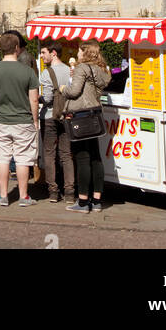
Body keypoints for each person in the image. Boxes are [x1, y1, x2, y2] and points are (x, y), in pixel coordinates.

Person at [0, 32, 40, 207]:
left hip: (0, 119)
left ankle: (3, 195)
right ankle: (23, 196)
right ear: (16, 48)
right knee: (23, 159)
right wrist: (35, 120)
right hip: (23, 120)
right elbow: (34, 99)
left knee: (2, 158)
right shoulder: (28, 71)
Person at [63, 45, 112, 212]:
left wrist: (64, 89)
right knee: (95, 157)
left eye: (79, 50)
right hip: (95, 114)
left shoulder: (81, 67)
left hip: (81, 115)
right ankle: (97, 200)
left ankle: (83, 201)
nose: (77, 53)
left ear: (84, 52)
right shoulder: (100, 69)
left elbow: (74, 91)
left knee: (82, 158)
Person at [40, 40, 73, 203]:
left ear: (53, 53)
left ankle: (53, 191)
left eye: (43, 53)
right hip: (66, 115)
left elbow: (47, 99)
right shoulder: (69, 71)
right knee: (66, 155)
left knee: (49, 153)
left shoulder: (47, 73)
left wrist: (37, 98)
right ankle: (69, 192)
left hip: (50, 117)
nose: (41, 56)